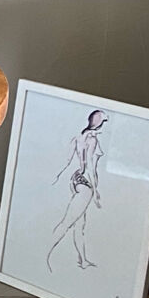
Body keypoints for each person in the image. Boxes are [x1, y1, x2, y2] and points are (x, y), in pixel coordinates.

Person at [47, 109, 107, 271]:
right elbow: (90, 167)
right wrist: (95, 193)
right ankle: (44, 252)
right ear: (100, 122)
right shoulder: (92, 140)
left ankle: (83, 260)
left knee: (79, 225)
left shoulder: (78, 137)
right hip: (86, 184)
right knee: (67, 222)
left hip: (75, 180)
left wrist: (57, 177)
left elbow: (66, 161)